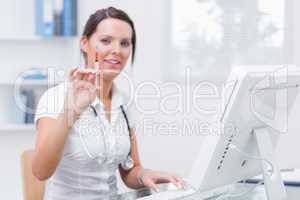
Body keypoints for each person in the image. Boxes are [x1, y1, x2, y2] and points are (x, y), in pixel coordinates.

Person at [32, 6, 184, 199]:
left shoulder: (124, 104)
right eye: (105, 41)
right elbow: (40, 172)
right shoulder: (56, 98)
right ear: (85, 44)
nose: (116, 50)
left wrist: (145, 174)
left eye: (125, 43)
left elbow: (130, 171)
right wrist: (71, 111)